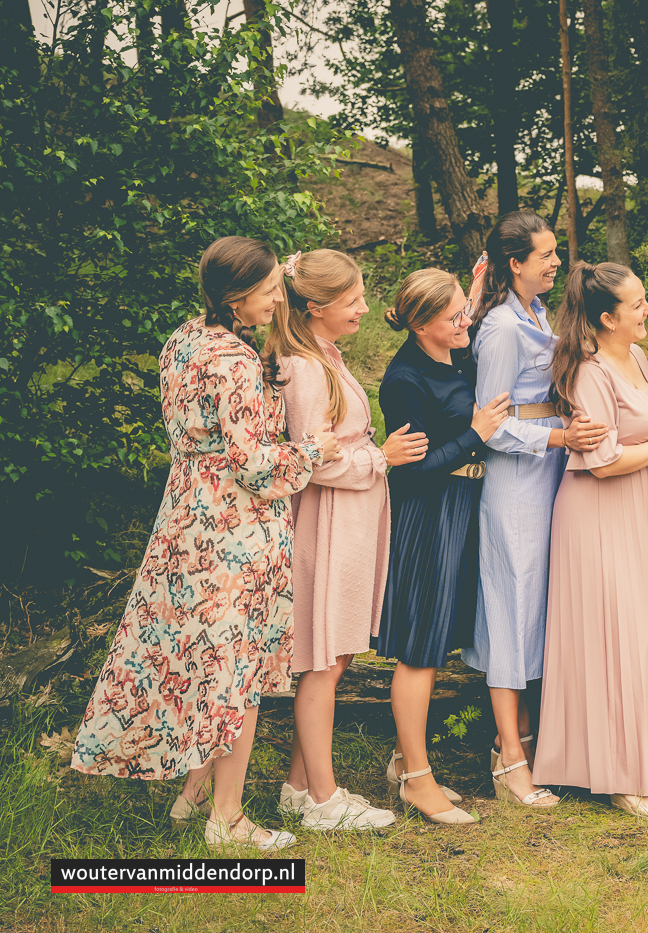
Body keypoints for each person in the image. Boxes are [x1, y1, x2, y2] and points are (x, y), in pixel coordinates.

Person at [70, 236, 342, 851]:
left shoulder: (182, 341)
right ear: (237, 295)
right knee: (235, 672)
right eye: (272, 289)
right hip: (235, 529)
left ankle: (189, 799)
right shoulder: (236, 361)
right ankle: (228, 818)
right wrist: (313, 451)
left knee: (199, 659)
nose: (280, 298)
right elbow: (254, 466)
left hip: (185, 518)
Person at [533, 262, 648, 821]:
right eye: (637, 305)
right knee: (615, 638)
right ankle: (621, 777)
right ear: (607, 319)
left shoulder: (641, 359)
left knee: (645, 633)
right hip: (601, 514)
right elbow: (601, 463)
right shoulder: (590, 371)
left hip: (645, 508)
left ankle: (645, 758)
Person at [266, 249, 415, 831]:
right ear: (315, 306)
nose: (364, 308)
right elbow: (313, 459)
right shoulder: (302, 367)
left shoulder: (322, 353)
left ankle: (298, 787)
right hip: (327, 520)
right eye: (352, 301)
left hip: (353, 516)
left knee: (340, 650)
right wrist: (381, 457)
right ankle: (325, 802)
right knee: (321, 660)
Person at [465, 211, 606, 809]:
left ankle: (541, 737)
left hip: (552, 472)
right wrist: (556, 438)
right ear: (515, 263)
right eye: (545, 256)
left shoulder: (539, 315)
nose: (556, 263)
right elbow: (490, 427)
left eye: (555, 253)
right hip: (516, 483)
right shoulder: (500, 328)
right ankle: (509, 755)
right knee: (512, 607)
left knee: (544, 607)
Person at [376, 268, 510, 824]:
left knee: (442, 638)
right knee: (421, 648)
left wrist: (475, 291)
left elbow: (468, 319)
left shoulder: (452, 353)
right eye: (456, 316)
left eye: (467, 311)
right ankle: (416, 779)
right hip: (427, 514)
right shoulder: (405, 380)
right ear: (423, 324)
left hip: (463, 509)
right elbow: (413, 470)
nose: (467, 322)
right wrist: (475, 434)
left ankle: (404, 758)